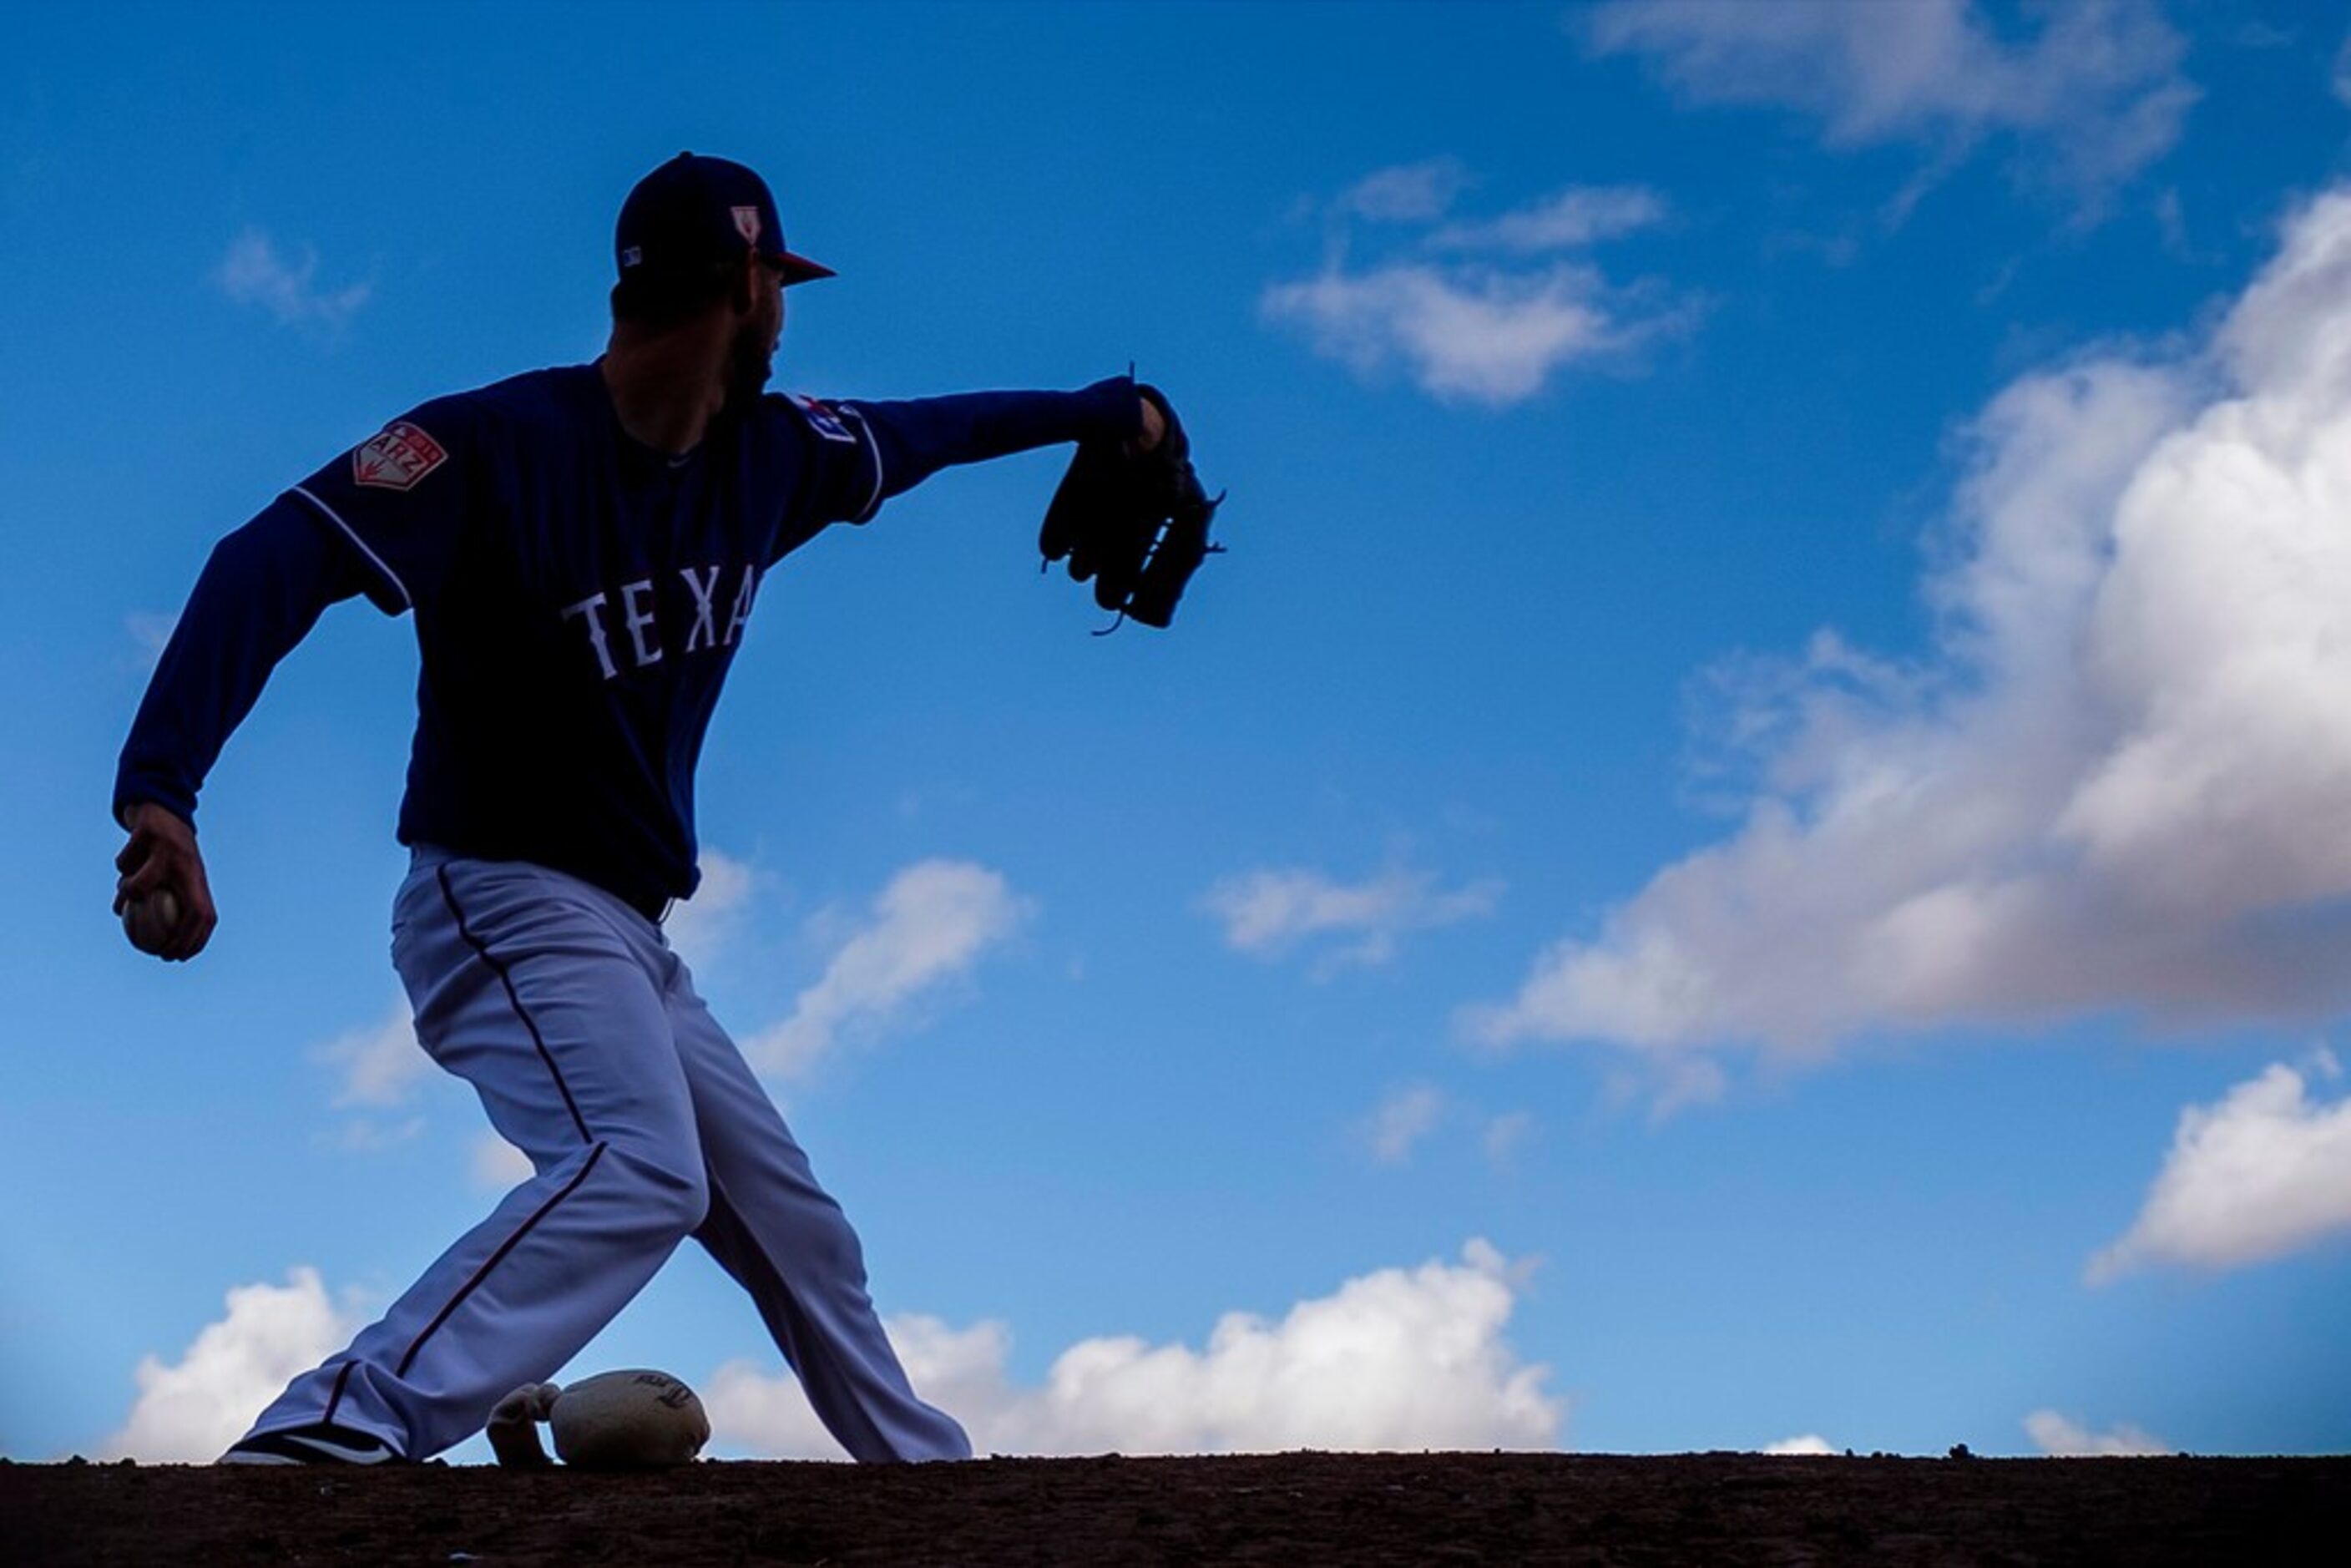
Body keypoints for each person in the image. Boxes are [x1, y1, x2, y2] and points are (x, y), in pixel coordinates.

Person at [111, 151, 1167, 1466]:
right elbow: (272, 554)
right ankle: (335, 1424)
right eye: (779, 283)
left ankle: (930, 1481)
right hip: (492, 892)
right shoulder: (494, 444)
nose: (787, 311)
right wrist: (164, 784)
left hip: (629, 936)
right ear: (744, 282)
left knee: (798, 1229)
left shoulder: (771, 456)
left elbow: (935, 426)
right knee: (641, 1165)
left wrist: (1093, 412)